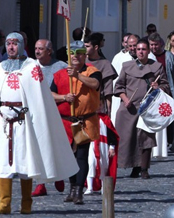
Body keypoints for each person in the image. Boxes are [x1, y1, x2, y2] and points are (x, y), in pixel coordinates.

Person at [0, 32, 79, 214]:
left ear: (21, 45)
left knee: (25, 162)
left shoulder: (32, 67)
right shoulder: (1, 67)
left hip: (24, 122)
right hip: (4, 122)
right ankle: (4, 203)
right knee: (3, 162)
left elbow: (39, 98)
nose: (10, 47)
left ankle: (26, 203)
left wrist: (37, 123)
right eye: (8, 44)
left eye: (14, 43)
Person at [51, 40, 102, 204]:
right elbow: (50, 94)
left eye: (79, 53)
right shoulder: (59, 74)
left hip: (84, 121)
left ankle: (79, 189)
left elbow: (95, 84)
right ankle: (72, 188)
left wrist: (78, 76)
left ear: (84, 55)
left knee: (81, 155)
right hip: (66, 122)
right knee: (69, 157)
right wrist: (64, 97)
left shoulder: (92, 71)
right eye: (72, 53)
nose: (75, 56)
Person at [114, 39, 169, 179]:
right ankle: (133, 166)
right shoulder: (127, 66)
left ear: (148, 51)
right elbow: (119, 87)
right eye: (138, 49)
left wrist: (159, 88)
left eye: (144, 49)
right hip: (129, 108)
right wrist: (125, 99)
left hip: (147, 108)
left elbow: (166, 86)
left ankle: (144, 168)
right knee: (128, 138)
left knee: (146, 138)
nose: (140, 52)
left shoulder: (157, 67)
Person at [31, 39, 68, 197]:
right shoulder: (30, 67)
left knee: (56, 148)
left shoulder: (61, 67)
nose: (37, 51)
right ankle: (40, 183)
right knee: (37, 150)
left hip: (56, 112)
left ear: (49, 51)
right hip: (35, 112)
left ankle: (58, 176)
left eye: (41, 49)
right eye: (36, 48)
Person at [149, 32, 174, 152]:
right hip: (151, 95)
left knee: (169, 120)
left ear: (161, 44)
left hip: (168, 93)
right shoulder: (148, 57)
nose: (153, 47)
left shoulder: (169, 57)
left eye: (156, 45)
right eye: (151, 45)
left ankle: (170, 142)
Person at [84, 33, 118, 116]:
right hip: (82, 102)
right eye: (84, 46)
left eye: (87, 46)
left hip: (98, 103)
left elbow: (108, 90)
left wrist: (109, 109)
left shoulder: (105, 64)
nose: (85, 49)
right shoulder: (82, 61)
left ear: (96, 47)